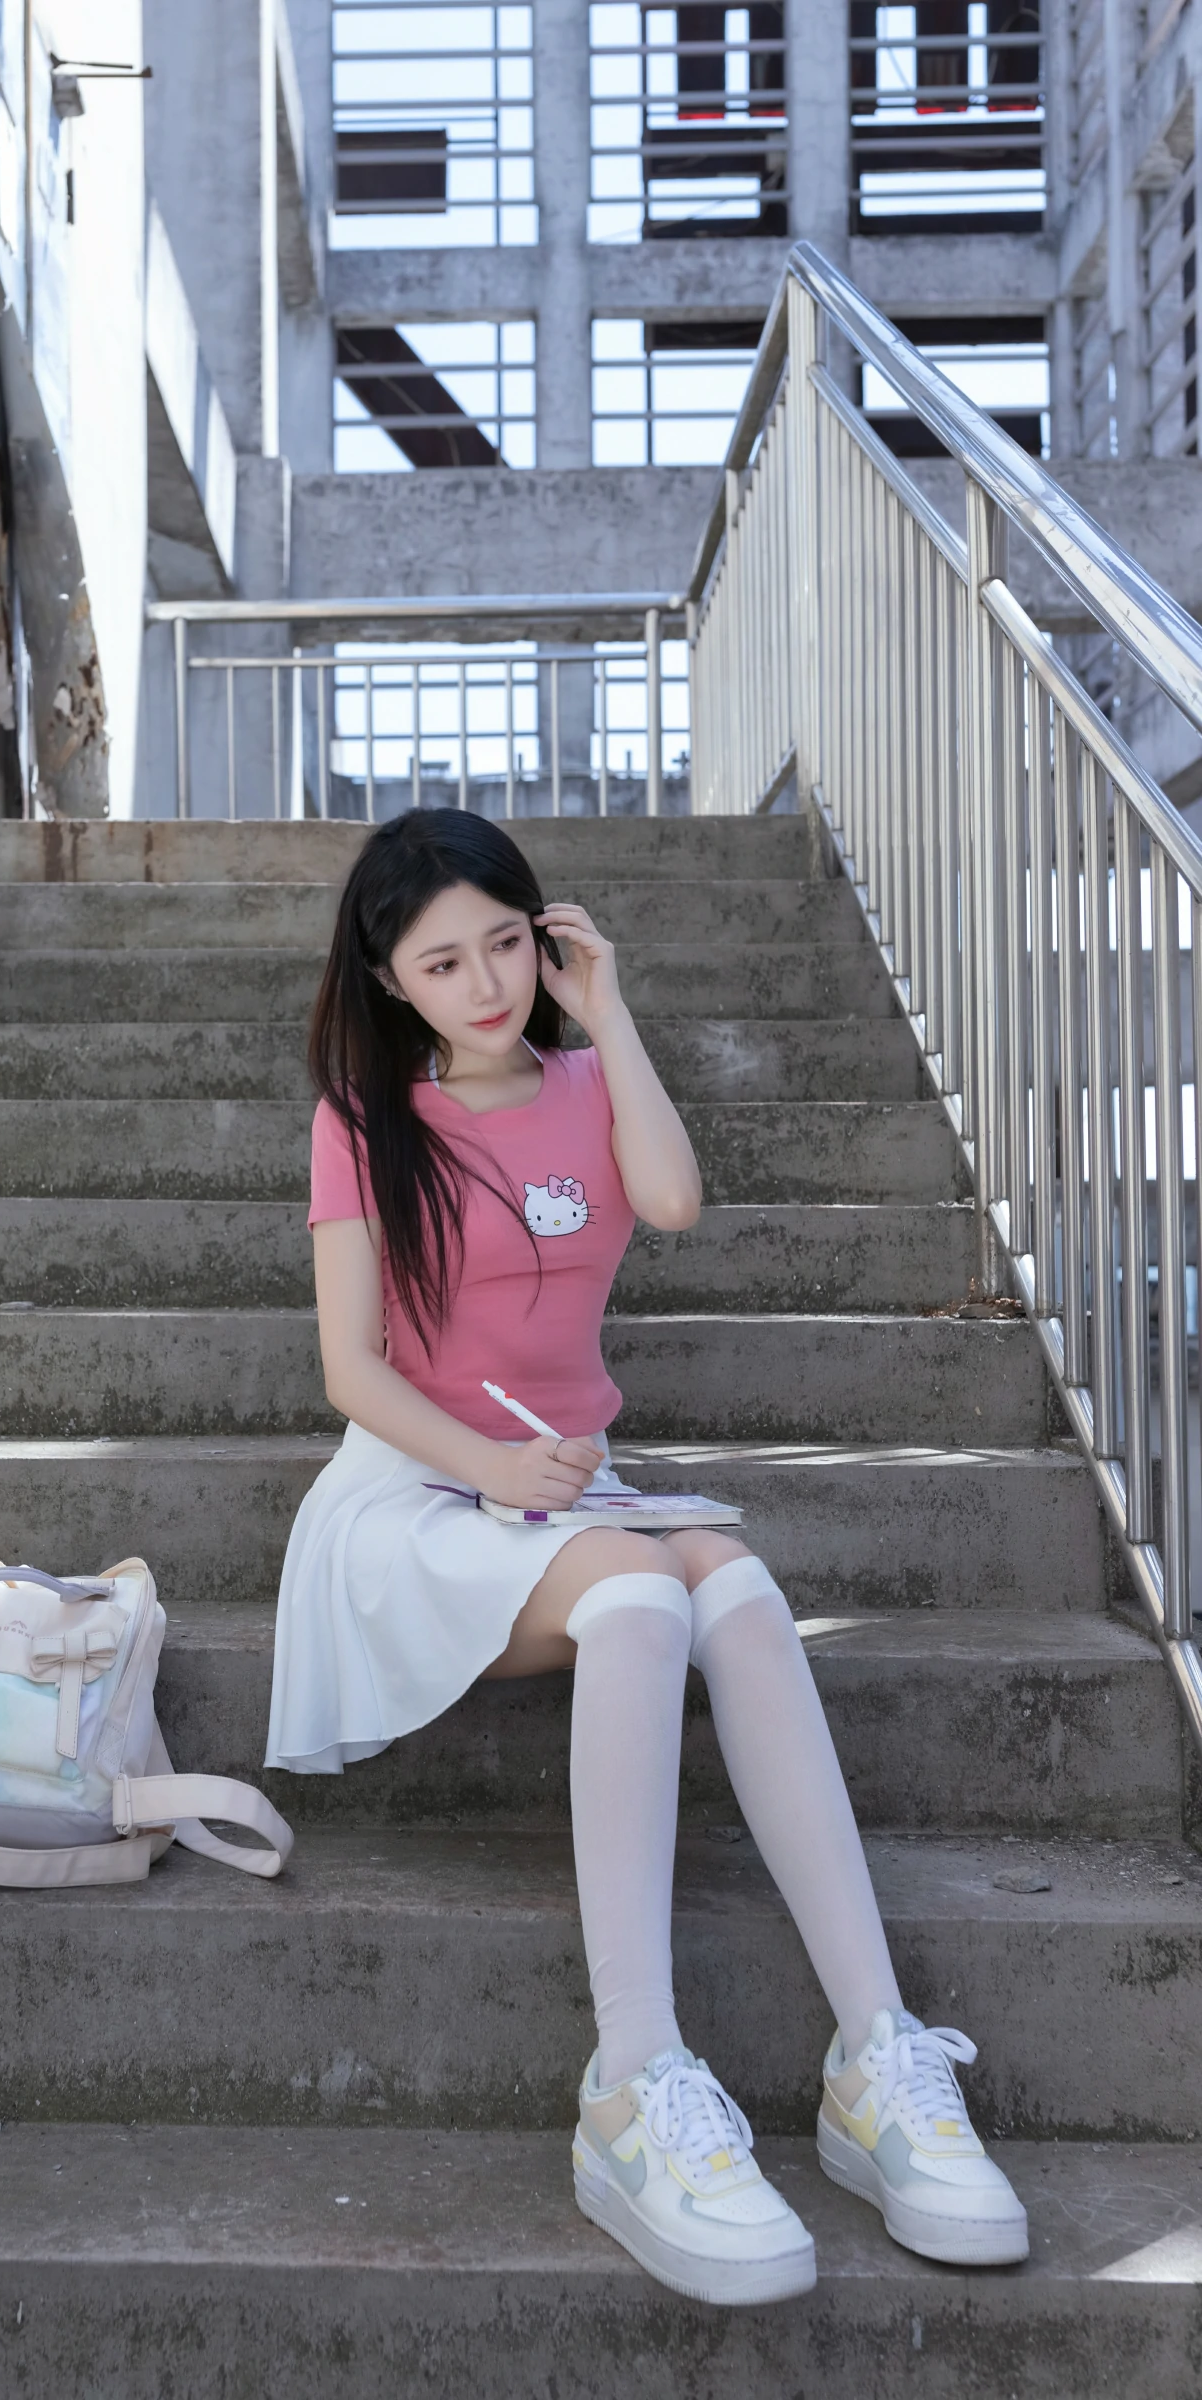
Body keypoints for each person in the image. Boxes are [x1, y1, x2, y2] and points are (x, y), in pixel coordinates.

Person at [265, 808, 1027, 2307]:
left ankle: (880, 2057)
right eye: (444, 962)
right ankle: (633, 2081)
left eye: (506, 943)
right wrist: (489, 1466)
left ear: (543, 938)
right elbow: (352, 1372)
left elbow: (671, 1199)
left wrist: (607, 1018)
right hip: (416, 1493)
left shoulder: (582, 1077)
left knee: (735, 1591)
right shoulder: (363, 1121)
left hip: (568, 1486)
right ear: (390, 978)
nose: (486, 983)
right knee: (632, 1597)